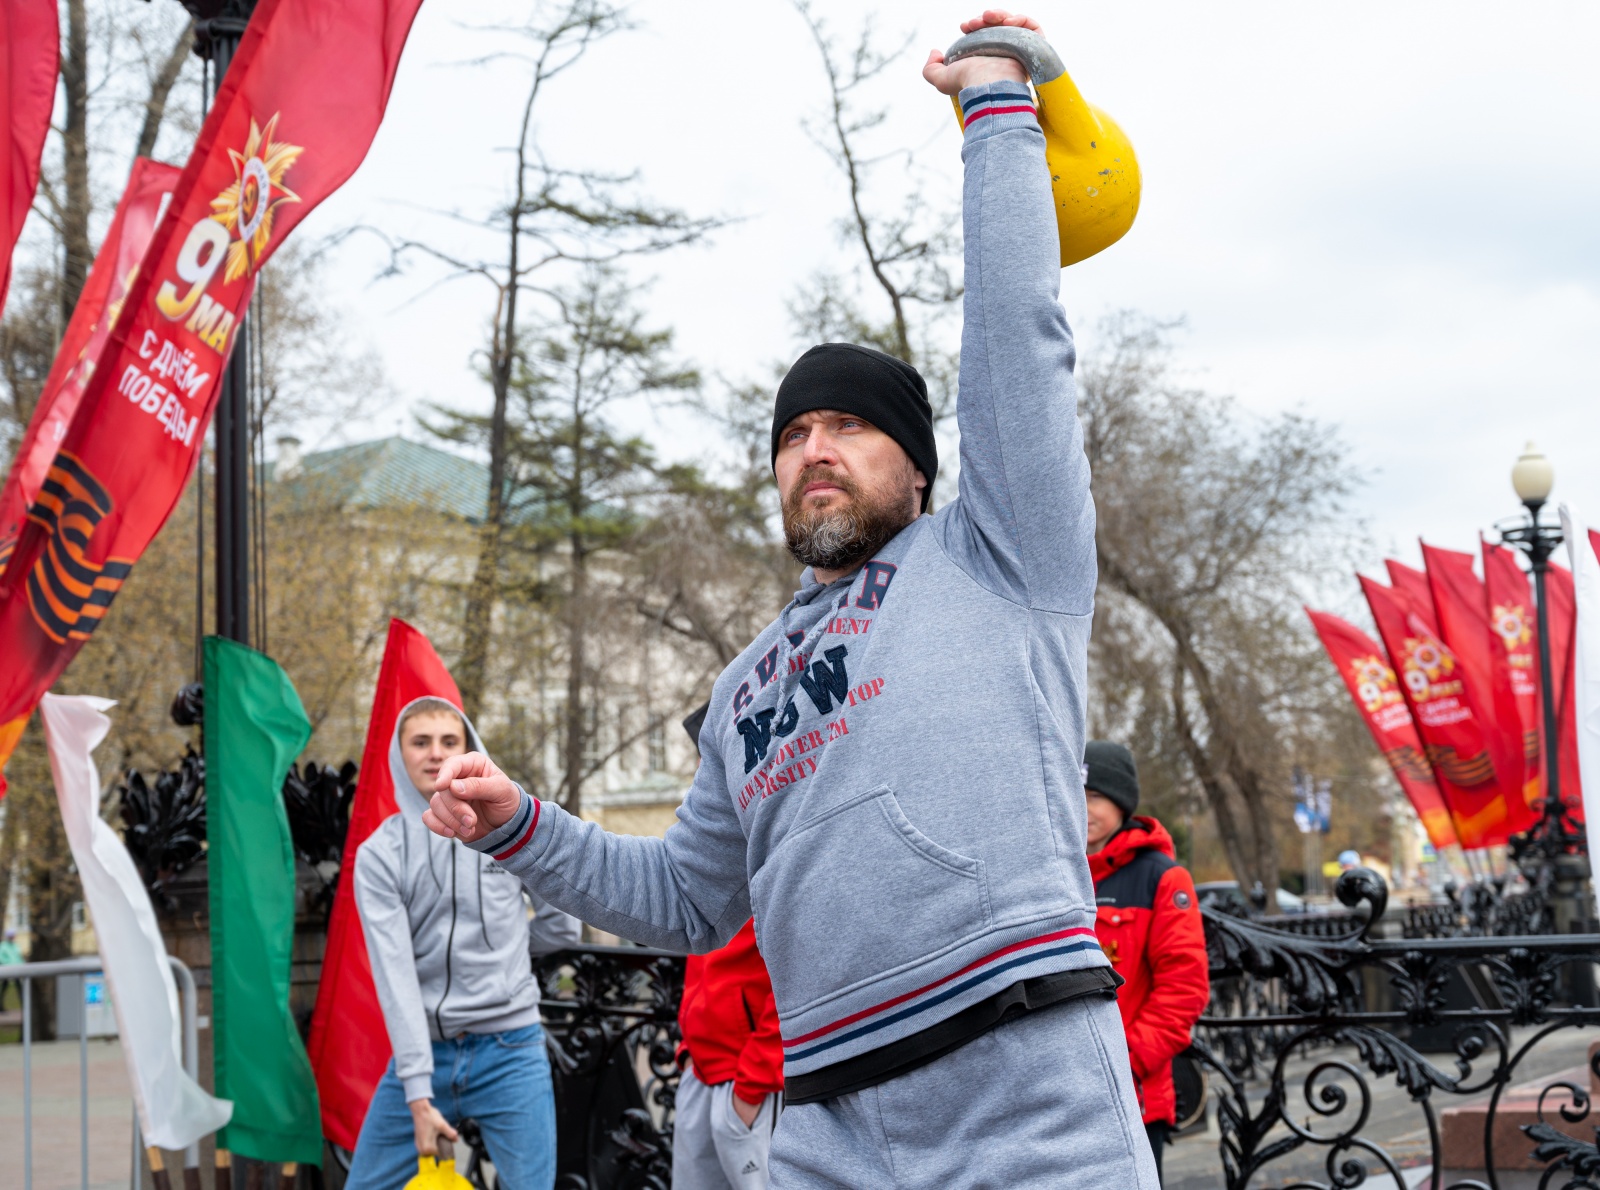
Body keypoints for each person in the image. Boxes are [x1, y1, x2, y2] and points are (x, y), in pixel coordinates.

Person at [422, 10, 1160, 1184]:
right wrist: (519, 819)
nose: (815, 446)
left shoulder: (1001, 556)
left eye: (852, 425)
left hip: (1026, 1093)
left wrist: (996, 111)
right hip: (821, 1127)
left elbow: (1017, 334)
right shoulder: (740, 685)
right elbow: (686, 895)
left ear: (915, 464)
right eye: (795, 431)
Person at [346, 696, 581, 1190]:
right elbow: (395, 977)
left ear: (469, 748)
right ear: (398, 754)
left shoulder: (509, 827)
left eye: (449, 741)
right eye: (420, 741)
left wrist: (508, 954)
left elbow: (563, 925)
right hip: (423, 1060)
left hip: (511, 1050)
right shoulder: (379, 855)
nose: (435, 753)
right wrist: (416, 1092)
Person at [1084, 741, 1210, 1185]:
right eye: (1074, 793)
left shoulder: (1160, 876)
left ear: (1121, 802)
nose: (1082, 808)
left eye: (1094, 796)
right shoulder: (1057, 872)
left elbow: (1184, 988)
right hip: (1063, 1093)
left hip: (1132, 1090)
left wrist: (1126, 1059)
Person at [673, 703, 784, 1190]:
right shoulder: (715, 841)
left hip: (748, 1083)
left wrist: (754, 1081)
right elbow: (699, 946)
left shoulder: (777, 835)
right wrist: (687, 1047)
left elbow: (799, 969)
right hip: (703, 1070)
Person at [0, 928, 22, 1009]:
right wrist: (8, 964)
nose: (12, 937)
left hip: (16, 970)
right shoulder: (3, 946)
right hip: (7, 970)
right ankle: (1, 1006)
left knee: (19, 988)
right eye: (11, 936)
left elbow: (19, 957)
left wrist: (22, 966)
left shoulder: (15, 945)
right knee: (4, 987)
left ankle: (24, 1005)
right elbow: (1, 957)